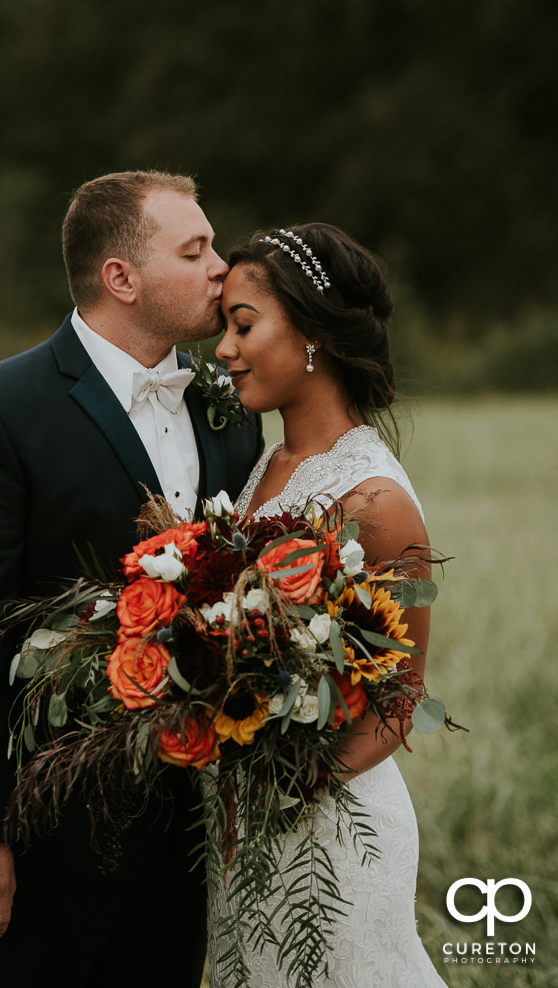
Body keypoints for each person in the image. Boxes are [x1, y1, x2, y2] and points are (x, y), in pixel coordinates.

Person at [0, 170, 263, 988]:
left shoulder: (229, 408)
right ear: (120, 278)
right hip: (37, 840)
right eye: (196, 249)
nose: (222, 267)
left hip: (182, 839)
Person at [207, 223, 445, 987]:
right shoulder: (263, 466)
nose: (224, 350)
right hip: (239, 828)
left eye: (243, 325)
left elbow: (401, 697)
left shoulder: (375, 500)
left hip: (333, 837)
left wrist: (284, 793)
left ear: (309, 332)